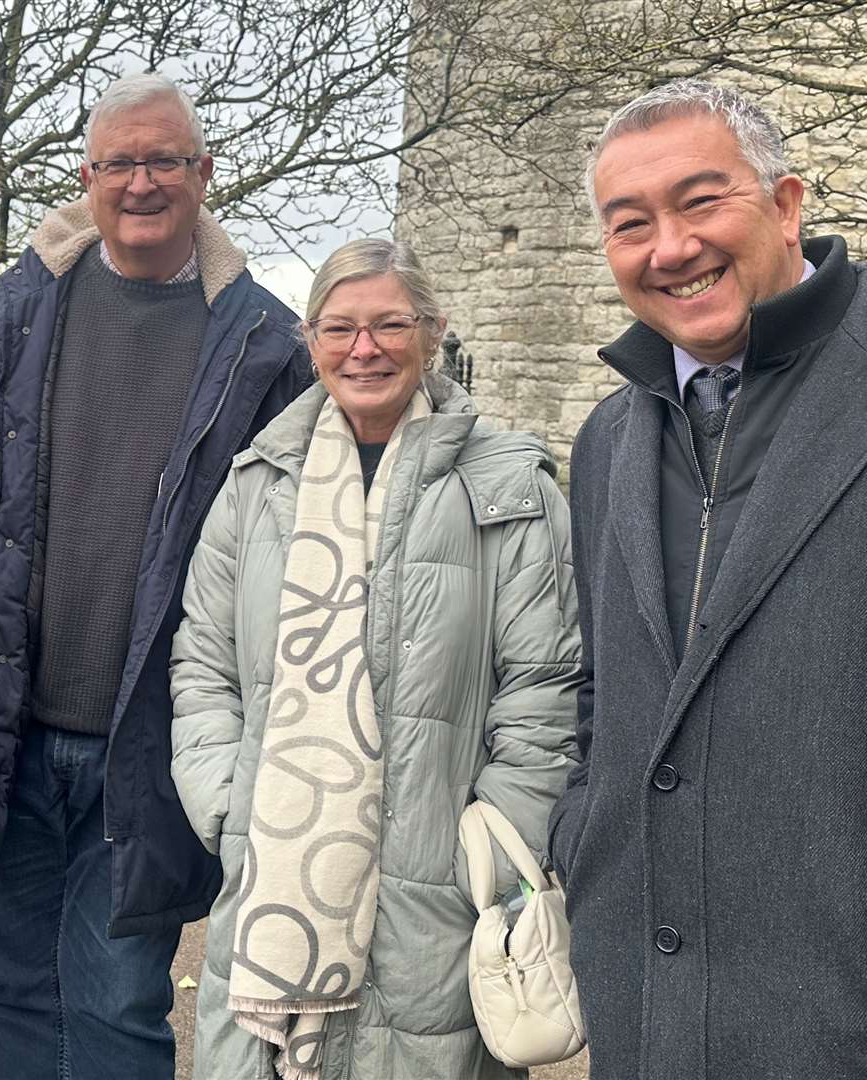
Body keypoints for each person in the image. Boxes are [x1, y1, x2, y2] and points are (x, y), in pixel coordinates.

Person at [553, 78, 867, 1077]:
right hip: (645, 1012)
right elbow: (599, 689)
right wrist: (581, 836)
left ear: (784, 205)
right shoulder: (608, 437)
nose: (669, 248)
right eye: (628, 223)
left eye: (699, 202)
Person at [0, 71, 310, 1079]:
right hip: (8, 725)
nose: (140, 182)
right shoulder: (13, 309)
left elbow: (297, 518)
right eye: (119, 162)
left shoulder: (262, 341)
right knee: (9, 990)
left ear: (203, 174)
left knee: (119, 1005)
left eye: (163, 160)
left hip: (154, 738)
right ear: (86, 177)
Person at [169, 238, 580, 1080]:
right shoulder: (257, 483)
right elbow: (201, 663)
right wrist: (227, 804)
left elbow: (546, 685)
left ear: (432, 332)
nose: (365, 348)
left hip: (441, 894)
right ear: (311, 340)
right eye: (339, 328)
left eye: (390, 324)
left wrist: (495, 839)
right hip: (272, 879)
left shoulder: (506, 486)